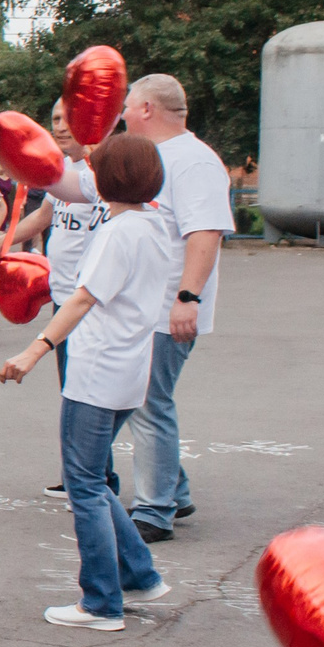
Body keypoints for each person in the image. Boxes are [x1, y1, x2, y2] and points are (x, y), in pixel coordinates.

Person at [0, 132, 179, 629]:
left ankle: (100, 602)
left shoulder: (117, 233)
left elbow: (82, 299)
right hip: (128, 369)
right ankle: (138, 574)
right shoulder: (153, 224)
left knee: (84, 485)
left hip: (97, 371)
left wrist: (35, 349)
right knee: (92, 479)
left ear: (108, 179)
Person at [121, 73, 231, 543]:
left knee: (148, 400)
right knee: (137, 398)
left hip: (168, 306)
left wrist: (187, 297)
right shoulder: (157, 157)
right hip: (145, 306)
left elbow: (205, 232)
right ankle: (174, 490)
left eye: (128, 106)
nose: (123, 115)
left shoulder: (193, 161)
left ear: (147, 109)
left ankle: (155, 509)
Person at [6, 100, 110, 495]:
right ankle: (82, 476)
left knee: (92, 396)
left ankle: (93, 480)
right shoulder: (61, 171)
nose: (61, 127)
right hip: (62, 295)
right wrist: (0, 242)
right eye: (54, 120)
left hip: (89, 301)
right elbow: (42, 218)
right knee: (73, 390)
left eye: (69, 119)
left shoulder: (101, 173)